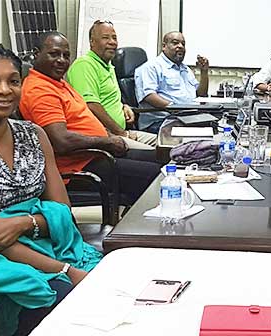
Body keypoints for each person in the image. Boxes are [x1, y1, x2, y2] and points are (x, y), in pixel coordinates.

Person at [0, 43, 102, 336]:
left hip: (47, 250)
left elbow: (64, 213)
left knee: (121, 286)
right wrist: (66, 270)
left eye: (13, 81)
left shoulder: (34, 135)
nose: (4, 90)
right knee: (86, 310)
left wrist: (23, 223)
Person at [20, 32, 160, 206]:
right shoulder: (39, 90)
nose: (61, 60)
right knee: (158, 175)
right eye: (54, 54)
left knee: (163, 159)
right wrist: (106, 142)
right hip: (80, 167)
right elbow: (61, 141)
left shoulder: (57, 83)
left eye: (66, 55)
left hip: (98, 153)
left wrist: (108, 137)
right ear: (36, 53)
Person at [67, 20, 157, 147]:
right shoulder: (84, 65)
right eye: (105, 38)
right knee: (158, 154)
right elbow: (91, 105)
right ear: (92, 42)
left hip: (121, 133)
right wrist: (121, 133)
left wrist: (124, 106)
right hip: (104, 136)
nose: (112, 42)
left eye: (114, 38)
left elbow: (107, 98)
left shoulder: (108, 66)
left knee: (168, 143)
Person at [134, 31, 209, 133]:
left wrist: (204, 72)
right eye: (175, 43)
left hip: (188, 117)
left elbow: (201, 94)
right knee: (200, 135)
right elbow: (149, 96)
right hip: (162, 121)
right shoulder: (151, 67)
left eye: (183, 44)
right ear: (164, 46)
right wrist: (177, 109)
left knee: (215, 129)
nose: (180, 46)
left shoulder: (185, 69)